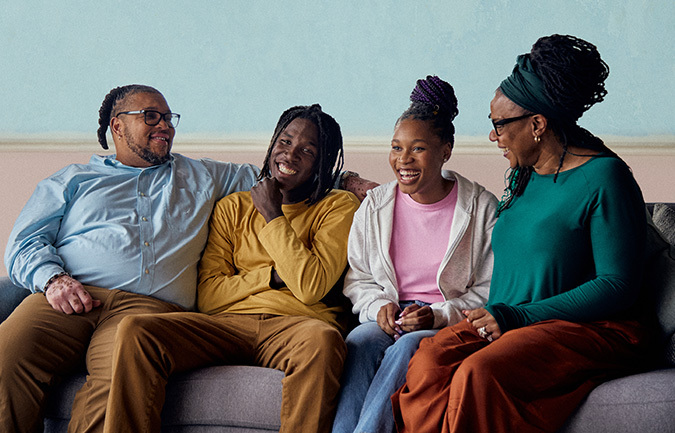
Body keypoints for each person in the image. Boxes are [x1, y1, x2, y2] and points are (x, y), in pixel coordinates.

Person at [0, 85, 373, 433]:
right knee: (7, 358)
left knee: (115, 372)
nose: (164, 125)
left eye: (168, 118)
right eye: (150, 116)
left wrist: (352, 181)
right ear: (117, 125)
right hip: (66, 295)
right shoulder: (73, 179)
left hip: (148, 307)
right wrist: (52, 280)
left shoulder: (204, 175)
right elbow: (24, 242)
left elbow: (292, 174)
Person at [392, 34, 655, 433]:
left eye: (500, 125)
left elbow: (617, 285)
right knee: (428, 361)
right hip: (509, 319)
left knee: (479, 372)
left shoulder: (605, 178)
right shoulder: (522, 176)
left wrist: (517, 316)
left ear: (537, 124)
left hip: (587, 328)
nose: (493, 137)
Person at [101, 104, 360, 433]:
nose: (291, 154)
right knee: (137, 330)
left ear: (323, 161)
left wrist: (272, 215)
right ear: (271, 145)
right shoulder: (231, 208)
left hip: (298, 327)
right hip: (227, 326)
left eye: (308, 150)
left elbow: (310, 286)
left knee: (324, 340)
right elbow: (209, 295)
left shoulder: (337, 206)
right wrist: (272, 277)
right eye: (284, 142)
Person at [332, 76, 497, 433]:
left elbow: (487, 289)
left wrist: (436, 315)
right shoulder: (375, 206)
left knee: (407, 349)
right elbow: (358, 278)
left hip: (444, 323)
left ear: (445, 150)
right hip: (390, 316)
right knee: (358, 341)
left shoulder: (481, 207)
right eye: (396, 148)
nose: (403, 160)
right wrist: (380, 308)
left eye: (418, 149)